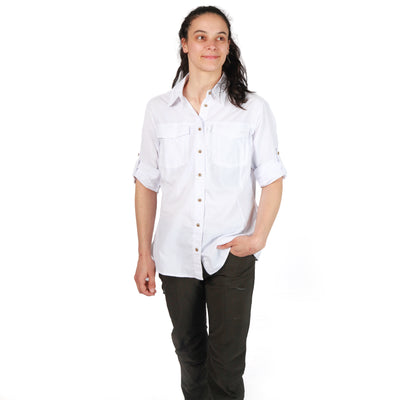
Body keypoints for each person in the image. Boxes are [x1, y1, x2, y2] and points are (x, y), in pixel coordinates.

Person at [133, 5, 287, 400]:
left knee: (228, 363)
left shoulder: (252, 109)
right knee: (189, 352)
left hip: (231, 251)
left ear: (229, 46)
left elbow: (272, 179)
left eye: (221, 37)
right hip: (174, 252)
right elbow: (146, 183)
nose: (211, 45)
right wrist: (144, 254)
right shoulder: (158, 111)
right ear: (185, 44)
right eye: (201, 37)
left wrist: (258, 238)